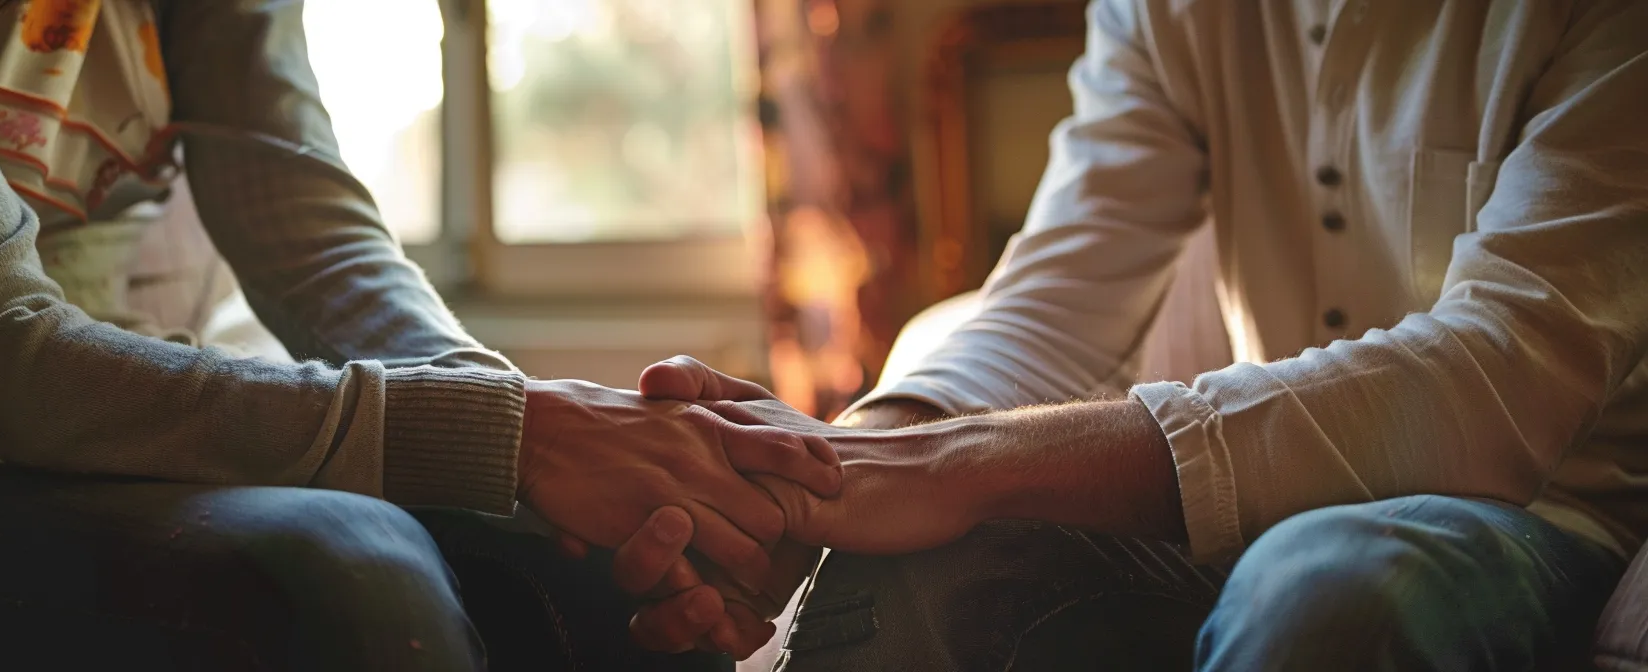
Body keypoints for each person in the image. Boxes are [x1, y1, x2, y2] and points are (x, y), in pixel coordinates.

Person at [622, 1, 1648, 669]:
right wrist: (826, 470)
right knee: (907, 563)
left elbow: (1496, 384)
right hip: (1240, 519)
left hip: (1531, 519)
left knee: (1327, 593)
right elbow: (1058, 292)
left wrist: (960, 461)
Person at [0, 0, 843, 669]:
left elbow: (311, 239)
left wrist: (530, 430)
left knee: (609, 590)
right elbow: (11, 356)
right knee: (359, 581)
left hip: (143, 415)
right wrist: (519, 434)